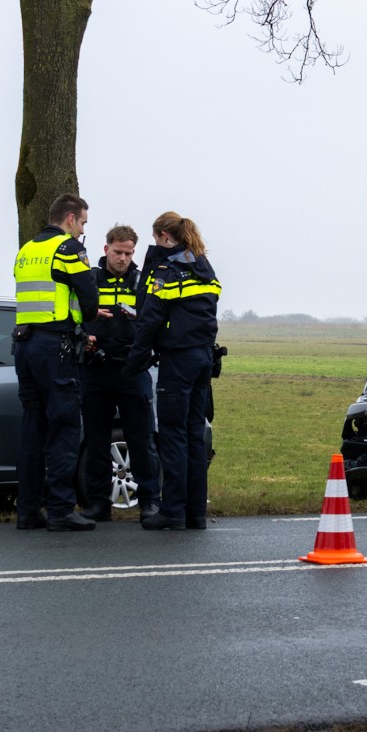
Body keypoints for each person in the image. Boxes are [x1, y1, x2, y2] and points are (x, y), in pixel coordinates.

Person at [12, 192, 105, 532]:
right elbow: (88, 293)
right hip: (57, 349)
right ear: (70, 219)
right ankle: (62, 509)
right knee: (64, 428)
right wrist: (89, 321)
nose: (82, 231)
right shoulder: (67, 249)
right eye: (82, 223)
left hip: (25, 346)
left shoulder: (27, 250)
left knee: (32, 430)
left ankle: (28, 510)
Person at [122, 212, 220, 531]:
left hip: (177, 361)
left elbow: (150, 320)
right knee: (193, 436)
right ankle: (195, 514)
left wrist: (133, 363)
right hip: (203, 358)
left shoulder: (168, 270)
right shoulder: (204, 267)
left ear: (164, 236)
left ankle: (173, 510)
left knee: (173, 435)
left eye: (154, 240)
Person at [79, 225, 162, 523]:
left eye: (128, 253)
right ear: (106, 249)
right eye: (118, 252)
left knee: (142, 440)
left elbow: (155, 322)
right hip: (95, 369)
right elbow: (73, 315)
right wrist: (82, 337)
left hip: (133, 369)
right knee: (97, 441)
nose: (123, 259)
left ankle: (150, 502)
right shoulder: (88, 280)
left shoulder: (143, 282)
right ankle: (99, 504)